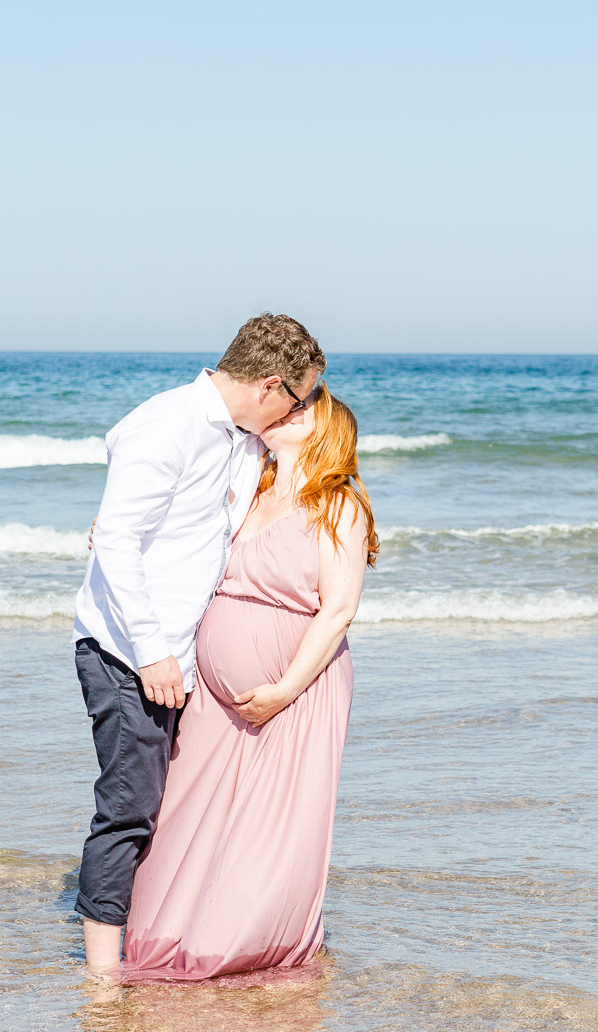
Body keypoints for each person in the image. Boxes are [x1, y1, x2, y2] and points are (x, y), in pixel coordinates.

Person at [72, 314, 326, 974]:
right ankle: (101, 978)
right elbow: (120, 542)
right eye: (301, 399)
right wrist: (153, 652)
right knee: (127, 809)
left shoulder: (242, 441)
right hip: (130, 655)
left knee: (169, 805)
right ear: (271, 386)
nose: (301, 411)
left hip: (175, 659)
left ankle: (156, 936)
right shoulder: (170, 423)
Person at [122, 381, 379, 980]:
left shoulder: (337, 503)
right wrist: (114, 527)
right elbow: (175, 527)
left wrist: (285, 689)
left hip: (297, 689)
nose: (289, 411)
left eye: (304, 407)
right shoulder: (245, 487)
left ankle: (241, 937)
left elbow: (338, 610)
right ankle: (161, 927)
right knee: (187, 805)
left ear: (326, 429)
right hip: (213, 692)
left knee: (270, 817)